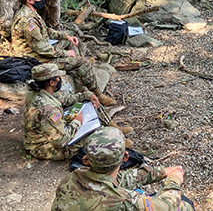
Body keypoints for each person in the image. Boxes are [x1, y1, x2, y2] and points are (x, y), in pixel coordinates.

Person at [11, 0, 116, 106]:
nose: (42, 0)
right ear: (30, 0)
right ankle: (97, 93)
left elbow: (46, 31)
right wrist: (66, 53)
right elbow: (41, 49)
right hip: (35, 59)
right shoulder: (27, 20)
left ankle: (81, 73)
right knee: (83, 62)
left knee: (68, 43)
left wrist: (65, 36)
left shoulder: (31, 13)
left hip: (38, 52)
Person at [51, 127, 195, 211]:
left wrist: (160, 172)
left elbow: (117, 179)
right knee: (184, 205)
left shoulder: (72, 177)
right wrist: (174, 180)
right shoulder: (122, 200)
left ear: (86, 160)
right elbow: (165, 206)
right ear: (125, 157)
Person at [23, 64, 132, 160]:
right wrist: (77, 122)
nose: (60, 80)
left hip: (51, 132)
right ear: (51, 82)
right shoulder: (49, 108)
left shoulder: (39, 93)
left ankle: (113, 127)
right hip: (46, 148)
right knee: (95, 133)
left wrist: (87, 95)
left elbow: (65, 99)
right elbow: (60, 142)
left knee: (89, 102)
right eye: (58, 78)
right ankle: (115, 140)